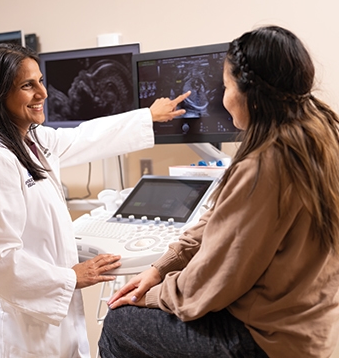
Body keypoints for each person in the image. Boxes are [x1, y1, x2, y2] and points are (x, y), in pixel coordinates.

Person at [98, 26, 339, 358]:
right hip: (313, 326)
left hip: (267, 341)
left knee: (120, 321)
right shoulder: (322, 131)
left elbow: (205, 287)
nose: (222, 98)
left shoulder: (264, 165)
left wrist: (149, 295)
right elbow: (220, 220)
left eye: (225, 86)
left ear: (250, 92)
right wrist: (161, 267)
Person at [0, 43, 190, 358]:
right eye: (28, 85)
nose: (44, 93)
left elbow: (85, 136)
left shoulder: (31, 140)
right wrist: (71, 277)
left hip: (45, 313)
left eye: (40, 81)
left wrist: (147, 116)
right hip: (15, 323)